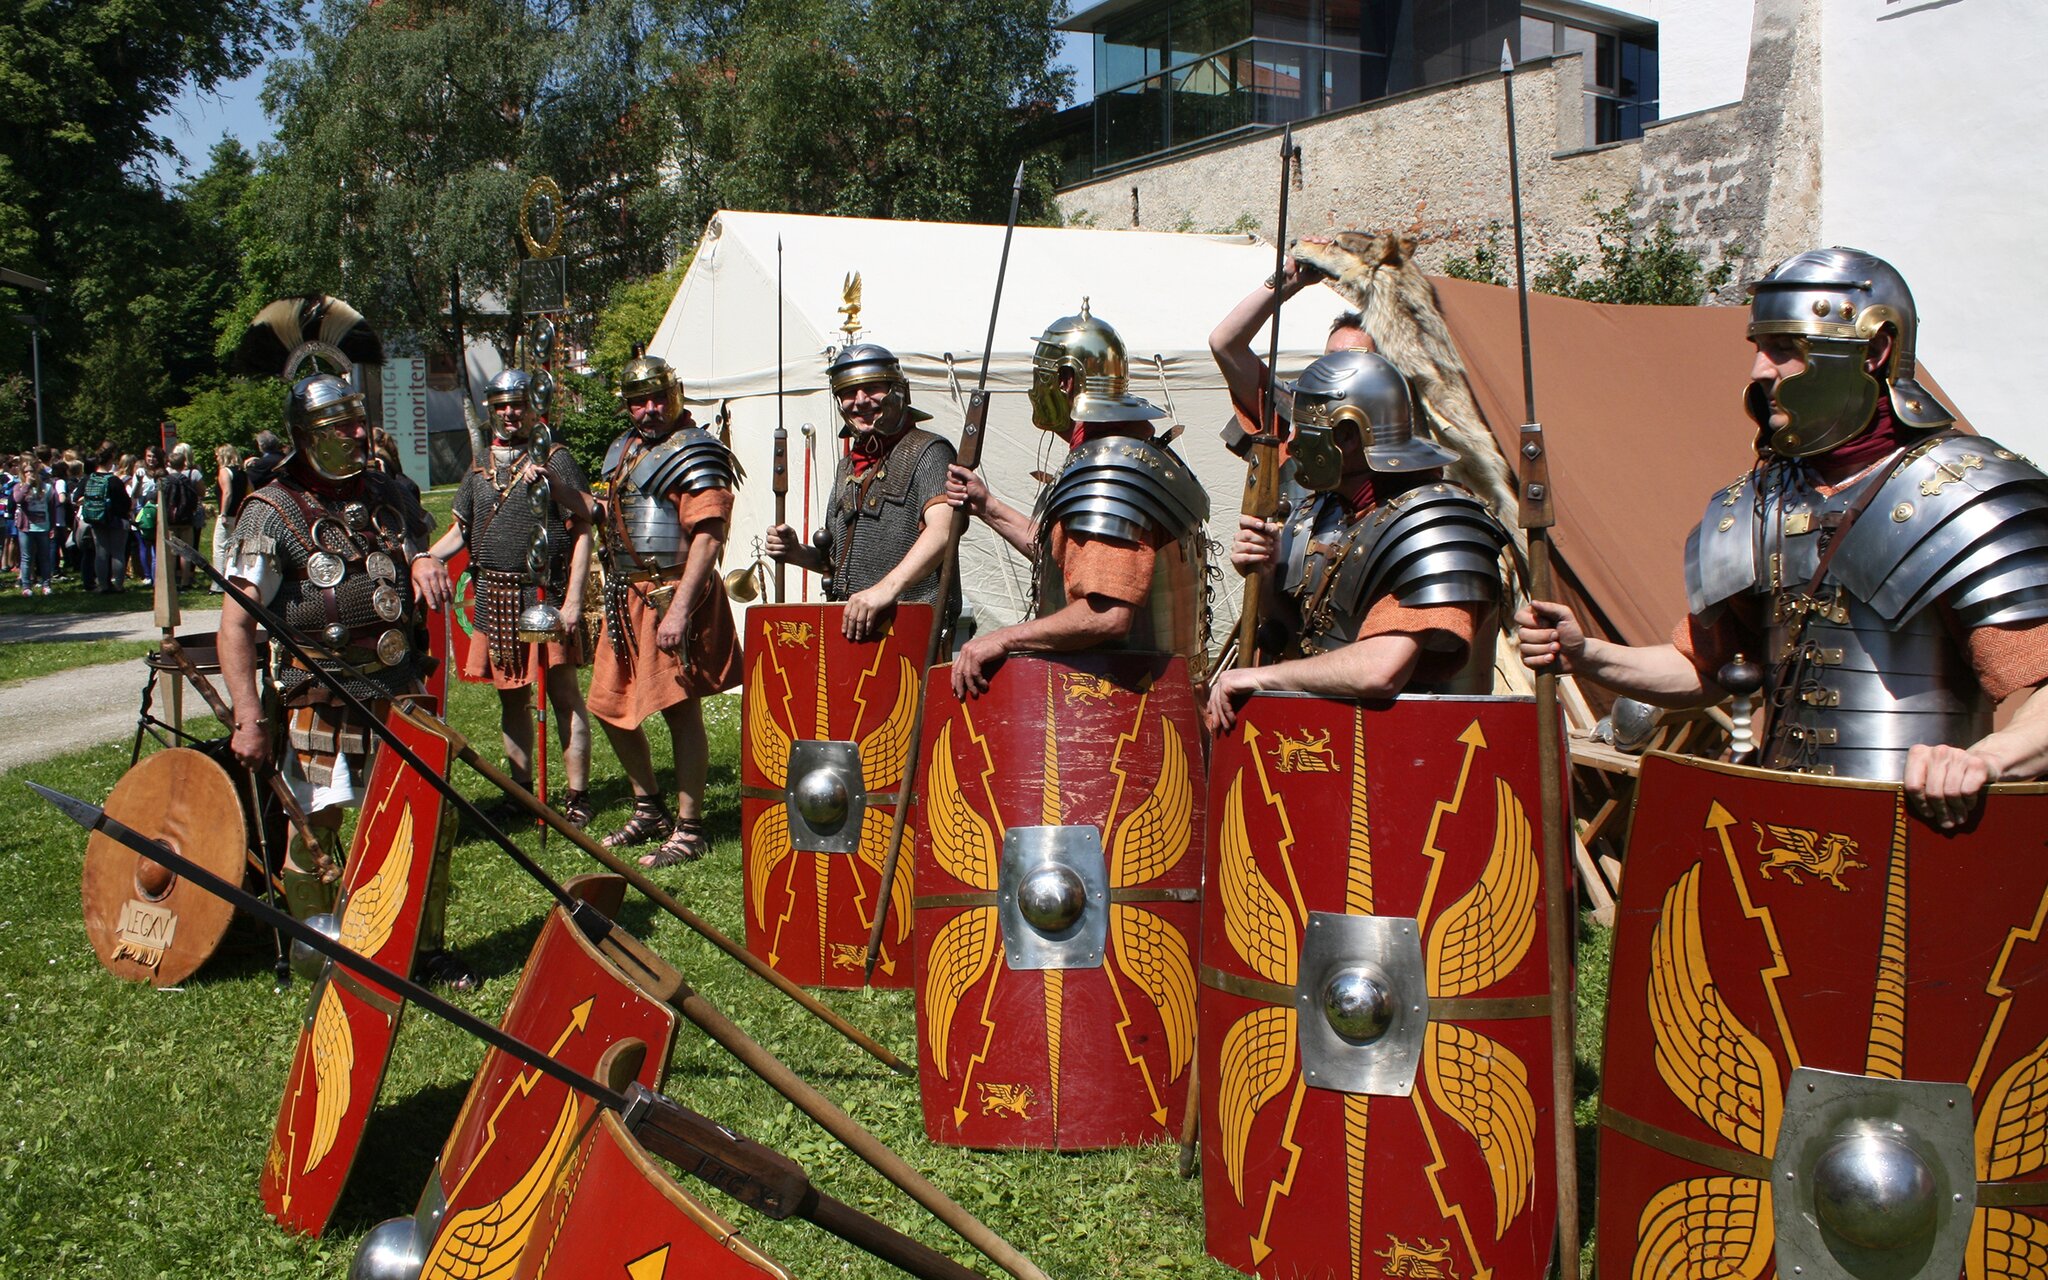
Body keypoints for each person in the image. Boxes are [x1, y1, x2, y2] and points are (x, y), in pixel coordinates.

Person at [1517, 246, 2048, 829]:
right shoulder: (1758, 500)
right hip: (1782, 832)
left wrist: (1985, 760)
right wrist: (1584, 653)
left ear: (1873, 350)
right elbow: (1702, 667)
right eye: (1760, 349)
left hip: (1914, 836)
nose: (1760, 372)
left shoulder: (1963, 493)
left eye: (1786, 350)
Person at [216, 370, 477, 989]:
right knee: (315, 826)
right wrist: (249, 716)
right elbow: (235, 625)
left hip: (401, 689)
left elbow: (416, 541)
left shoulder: (385, 491)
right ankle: (319, 952)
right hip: (320, 694)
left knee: (432, 817)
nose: (361, 434)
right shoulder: (270, 510)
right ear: (307, 436)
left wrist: (418, 559)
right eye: (344, 426)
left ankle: (422, 949)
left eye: (360, 421)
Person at [1205, 349, 1510, 731]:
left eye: (1306, 430)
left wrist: (1260, 678)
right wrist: (1266, 576)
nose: (1295, 445)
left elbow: (1380, 670)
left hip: (1413, 750)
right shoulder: (1325, 512)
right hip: (1327, 740)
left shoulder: (1435, 527)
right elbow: (1298, 638)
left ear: (1347, 436)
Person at [945, 302, 1209, 699]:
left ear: (1066, 380)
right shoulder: (1134, 455)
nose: (1035, 389)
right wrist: (988, 507)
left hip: (1121, 710)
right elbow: (1069, 561)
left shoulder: (1108, 477)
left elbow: (1105, 615)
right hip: (1142, 698)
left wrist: (1004, 638)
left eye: (1041, 376)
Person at [569, 350, 741, 866]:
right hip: (626, 596)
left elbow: (709, 538)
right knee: (607, 703)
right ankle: (649, 808)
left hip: (671, 594)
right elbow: (607, 510)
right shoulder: (623, 449)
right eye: (637, 401)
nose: (648, 409)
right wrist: (559, 490)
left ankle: (690, 827)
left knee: (679, 710)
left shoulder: (695, 450)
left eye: (656, 397)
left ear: (675, 394)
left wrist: (680, 612)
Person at [422, 369, 598, 827]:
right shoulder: (481, 464)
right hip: (497, 597)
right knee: (511, 699)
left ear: (531, 406)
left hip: (547, 593)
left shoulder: (554, 458)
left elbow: (585, 525)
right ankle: (522, 792)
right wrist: (425, 556)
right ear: (490, 409)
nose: (509, 412)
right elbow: (460, 530)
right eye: (501, 405)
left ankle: (577, 797)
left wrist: (574, 601)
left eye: (517, 403)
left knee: (562, 694)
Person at [763, 342, 958, 640]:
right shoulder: (847, 467)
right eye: (849, 392)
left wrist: (885, 590)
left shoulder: (929, 452)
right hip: (853, 627)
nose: (861, 401)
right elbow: (839, 562)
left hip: (912, 629)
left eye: (872, 388)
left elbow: (943, 532)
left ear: (898, 390)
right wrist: (797, 553)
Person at [78, 447, 131, 594]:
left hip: (96, 519)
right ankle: (118, 585)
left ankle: (103, 585)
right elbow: (126, 502)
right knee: (117, 553)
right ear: (110, 461)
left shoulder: (90, 479)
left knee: (101, 553)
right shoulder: (114, 481)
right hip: (116, 520)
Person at [210, 443, 248, 591]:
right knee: (237, 548)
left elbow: (227, 493)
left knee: (220, 548)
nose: (217, 458)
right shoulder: (242, 472)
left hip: (228, 514)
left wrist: (223, 513)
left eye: (218, 455)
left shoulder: (224, 472)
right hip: (240, 514)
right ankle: (236, 579)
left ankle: (219, 584)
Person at [12, 458, 53, 595]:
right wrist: (27, 485)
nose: (30, 473)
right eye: (26, 471)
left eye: (32, 471)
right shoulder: (19, 487)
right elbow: (17, 499)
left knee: (44, 557)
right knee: (27, 557)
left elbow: (51, 506)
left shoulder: (47, 487)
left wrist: (52, 526)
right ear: (22, 473)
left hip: (43, 526)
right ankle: (26, 586)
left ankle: (46, 584)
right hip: (26, 527)